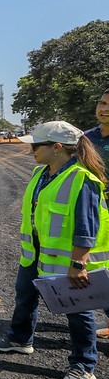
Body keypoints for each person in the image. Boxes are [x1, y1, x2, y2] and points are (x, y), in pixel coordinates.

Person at [0, 121, 109, 379]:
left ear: (57, 147)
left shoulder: (83, 179)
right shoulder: (40, 173)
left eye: (36, 145)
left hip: (68, 261)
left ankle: (84, 365)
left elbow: (87, 226)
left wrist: (78, 264)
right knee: (25, 296)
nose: (31, 150)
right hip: (35, 256)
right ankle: (21, 340)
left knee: (78, 312)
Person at [84, 88, 109, 340]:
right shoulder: (87, 138)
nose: (104, 108)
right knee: (100, 269)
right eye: (102, 102)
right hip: (94, 212)